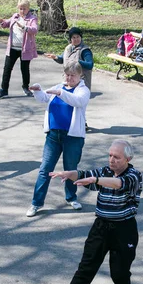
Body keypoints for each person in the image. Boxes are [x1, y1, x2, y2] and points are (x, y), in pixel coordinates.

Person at [46, 139, 142, 284]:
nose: (111, 160)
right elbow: (83, 174)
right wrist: (69, 173)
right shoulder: (104, 172)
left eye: (117, 157)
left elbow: (119, 184)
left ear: (128, 159)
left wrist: (97, 180)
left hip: (124, 229)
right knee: (86, 267)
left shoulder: (134, 175)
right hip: (101, 227)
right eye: (110, 155)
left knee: (120, 270)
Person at [26, 62, 90, 216]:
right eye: (67, 75)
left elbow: (78, 101)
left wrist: (61, 93)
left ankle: (71, 197)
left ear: (80, 76)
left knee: (70, 169)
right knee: (45, 169)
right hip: (53, 135)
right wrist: (37, 90)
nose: (69, 78)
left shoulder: (83, 90)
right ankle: (36, 203)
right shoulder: (59, 86)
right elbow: (43, 98)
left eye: (72, 75)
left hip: (72, 137)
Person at [0, 0, 38, 99]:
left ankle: (25, 87)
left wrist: (24, 27)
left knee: (25, 69)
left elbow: (34, 30)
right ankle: (3, 90)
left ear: (28, 9)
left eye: (24, 9)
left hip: (25, 49)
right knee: (7, 69)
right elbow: (7, 23)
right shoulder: (15, 16)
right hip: (12, 48)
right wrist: (2, 22)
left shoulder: (32, 19)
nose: (22, 11)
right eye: (20, 8)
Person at [45, 27, 94, 91]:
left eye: (78, 37)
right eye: (74, 37)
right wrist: (55, 57)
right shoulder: (68, 48)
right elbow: (63, 59)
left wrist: (78, 62)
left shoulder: (85, 50)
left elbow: (90, 65)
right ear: (70, 39)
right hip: (68, 81)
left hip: (81, 82)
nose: (76, 39)